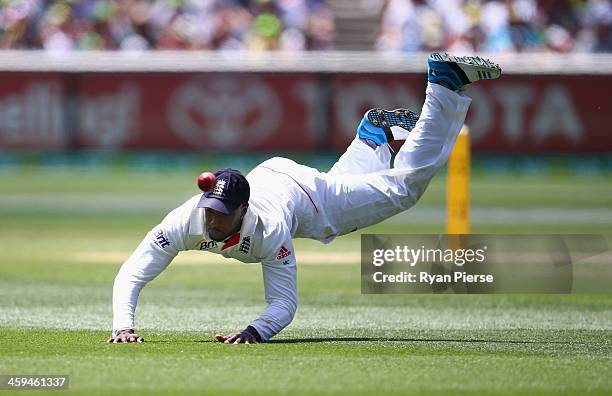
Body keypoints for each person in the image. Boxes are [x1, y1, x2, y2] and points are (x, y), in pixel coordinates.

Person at [107, 52, 501, 344]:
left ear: (242, 211)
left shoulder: (269, 230)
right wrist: (123, 326)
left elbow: (284, 304)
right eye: (210, 211)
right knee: (353, 187)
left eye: (222, 215)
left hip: (306, 199)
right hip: (279, 177)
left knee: (404, 189)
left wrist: (254, 332)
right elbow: (134, 271)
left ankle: (444, 85)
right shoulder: (185, 220)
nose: (211, 221)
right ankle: (373, 139)